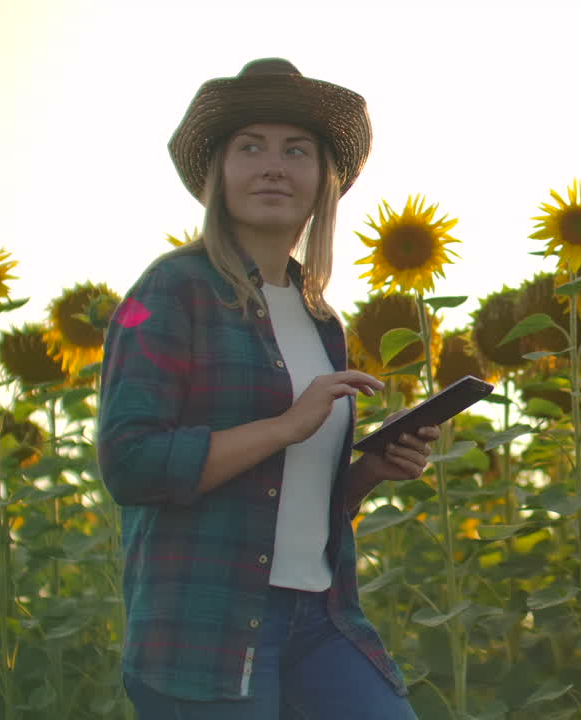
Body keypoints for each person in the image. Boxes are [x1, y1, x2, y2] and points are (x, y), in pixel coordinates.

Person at [97, 58, 436, 719]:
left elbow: (297, 504)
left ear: (323, 182)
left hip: (321, 618)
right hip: (205, 633)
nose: (274, 167)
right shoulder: (170, 290)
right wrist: (284, 426)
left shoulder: (320, 320)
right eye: (250, 148)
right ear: (218, 175)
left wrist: (371, 470)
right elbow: (129, 462)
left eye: (296, 150)